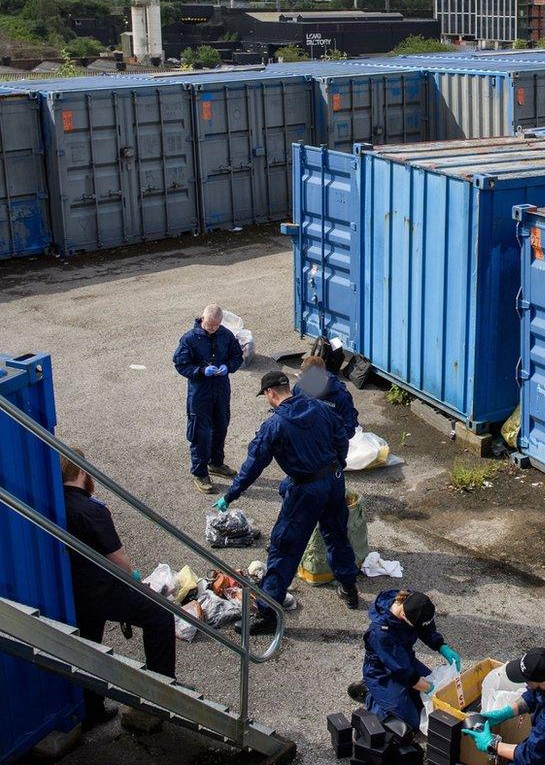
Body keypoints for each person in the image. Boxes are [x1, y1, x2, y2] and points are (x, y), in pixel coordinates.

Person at [213, 371, 359, 632]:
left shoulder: (275, 425)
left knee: (284, 547)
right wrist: (338, 464)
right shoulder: (318, 407)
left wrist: (230, 494)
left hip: (305, 490)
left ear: (270, 393)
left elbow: (253, 465)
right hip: (333, 480)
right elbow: (340, 436)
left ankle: (268, 613)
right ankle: (349, 588)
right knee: (337, 535)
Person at [60, 448, 177, 729]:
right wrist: (136, 579)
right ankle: (161, 696)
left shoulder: (52, 504)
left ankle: (91, 709)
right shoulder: (92, 510)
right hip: (99, 588)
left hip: (69, 589)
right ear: (83, 472)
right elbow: (120, 564)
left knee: (87, 641)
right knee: (160, 615)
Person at [348, 589, 462, 732]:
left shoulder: (412, 602)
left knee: (427, 704)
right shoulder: (381, 633)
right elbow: (402, 671)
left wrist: (440, 645)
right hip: (381, 671)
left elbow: (425, 628)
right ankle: (369, 694)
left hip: (405, 660)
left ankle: (397, 695)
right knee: (409, 723)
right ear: (404, 617)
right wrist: (429, 688)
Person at [172, 304, 244, 494]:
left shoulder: (226, 335)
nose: (211, 329)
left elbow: (237, 356)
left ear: (220, 323)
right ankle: (200, 472)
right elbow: (180, 364)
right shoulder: (189, 339)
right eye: (209, 325)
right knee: (200, 432)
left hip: (221, 389)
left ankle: (216, 463)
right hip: (200, 392)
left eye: (215, 326)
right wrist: (201, 371)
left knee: (221, 426)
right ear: (202, 318)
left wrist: (228, 367)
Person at [293, 354, 359, 439]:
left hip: (328, 443)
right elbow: (291, 407)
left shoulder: (340, 396)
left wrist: (327, 436)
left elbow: (349, 428)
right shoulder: (300, 387)